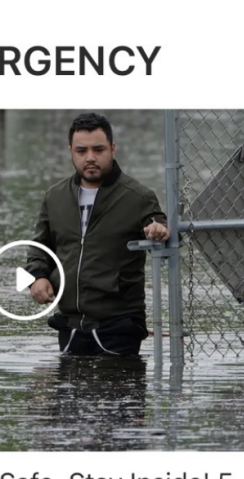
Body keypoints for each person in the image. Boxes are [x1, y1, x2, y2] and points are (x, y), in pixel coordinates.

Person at [25, 113, 169, 356]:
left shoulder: (138, 196)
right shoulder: (55, 196)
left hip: (120, 327)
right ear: (71, 150)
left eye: (98, 149)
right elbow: (40, 247)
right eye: (81, 151)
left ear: (112, 149)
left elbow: (156, 221)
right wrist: (37, 278)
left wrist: (158, 228)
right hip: (69, 327)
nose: (90, 157)